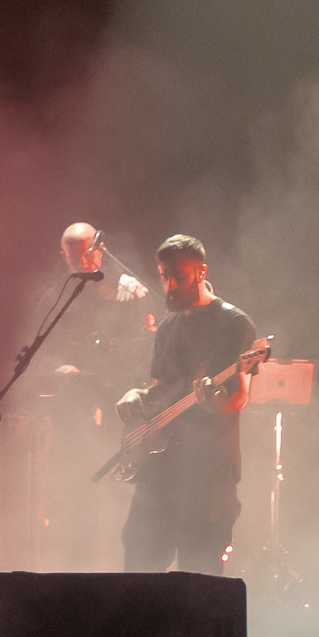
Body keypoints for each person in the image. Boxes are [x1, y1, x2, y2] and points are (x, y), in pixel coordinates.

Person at [116, 235, 258, 574]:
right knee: (138, 570)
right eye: (164, 275)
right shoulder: (167, 328)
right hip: (161, 474)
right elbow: (161, 388)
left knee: (199, 585)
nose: (169, 284)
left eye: (178, 275)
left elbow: (239, 396)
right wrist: (136, 395)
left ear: (201, 271)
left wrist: (213, 401)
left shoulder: (233, 324)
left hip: (207, 479)